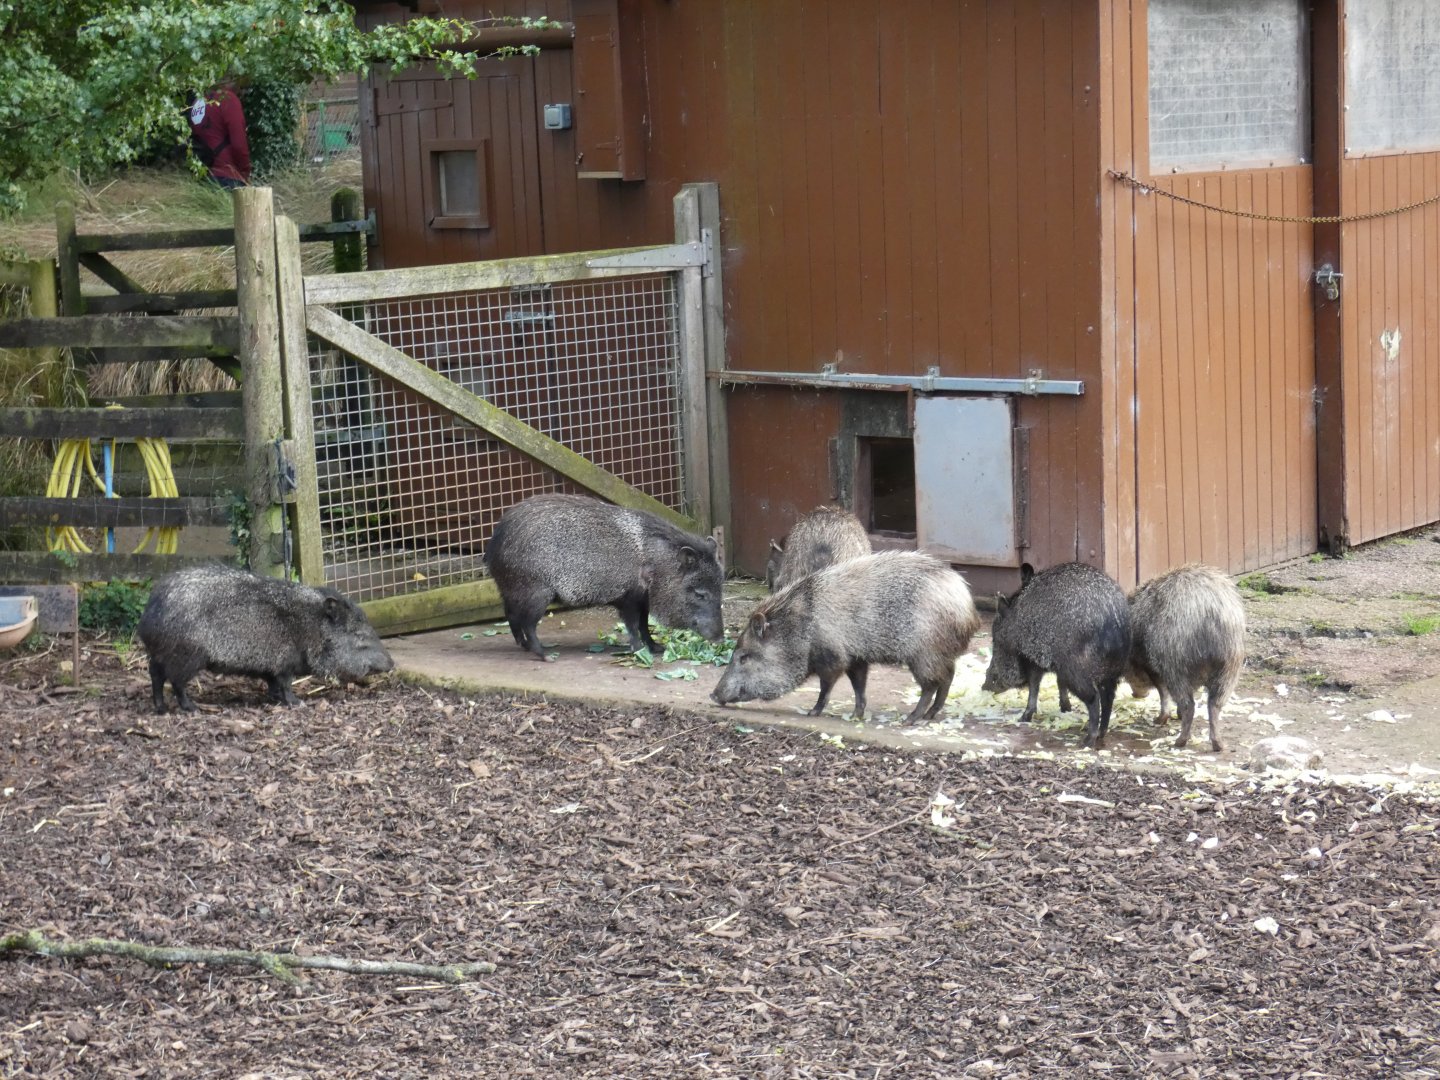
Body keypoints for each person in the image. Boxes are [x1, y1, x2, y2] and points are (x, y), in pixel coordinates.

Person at [188, 84, 251, 189]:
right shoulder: (228, 99)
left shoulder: (197, 102)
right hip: (229, 176)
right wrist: (245, 172)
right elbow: (239, 144)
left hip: (203, 175)